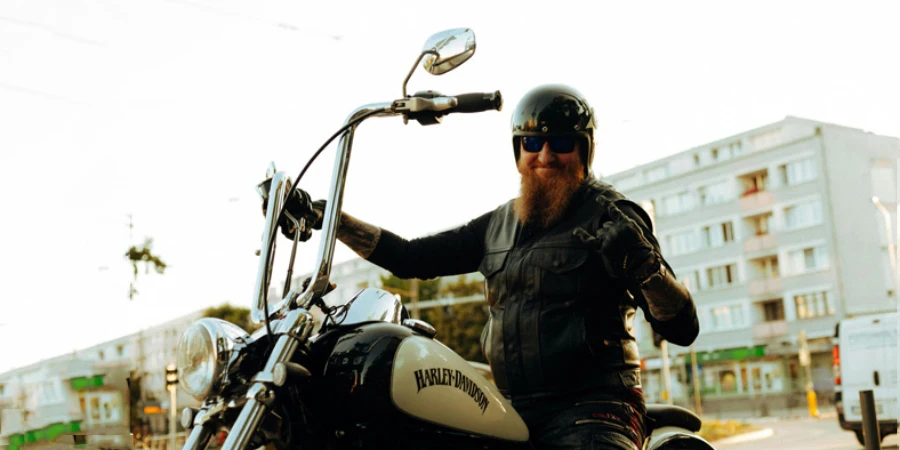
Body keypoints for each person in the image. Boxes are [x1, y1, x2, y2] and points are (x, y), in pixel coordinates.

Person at [280, 84, 699, 450]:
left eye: (561, 143)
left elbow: (682, 328)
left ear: (584, 149)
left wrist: (644, 267)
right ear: (518, 151)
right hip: (505, 406)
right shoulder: (500, 223)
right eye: (532, 144)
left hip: (593, 409)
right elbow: (411, 258)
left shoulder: (613, 215)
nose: (545, 156)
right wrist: (328, 218)